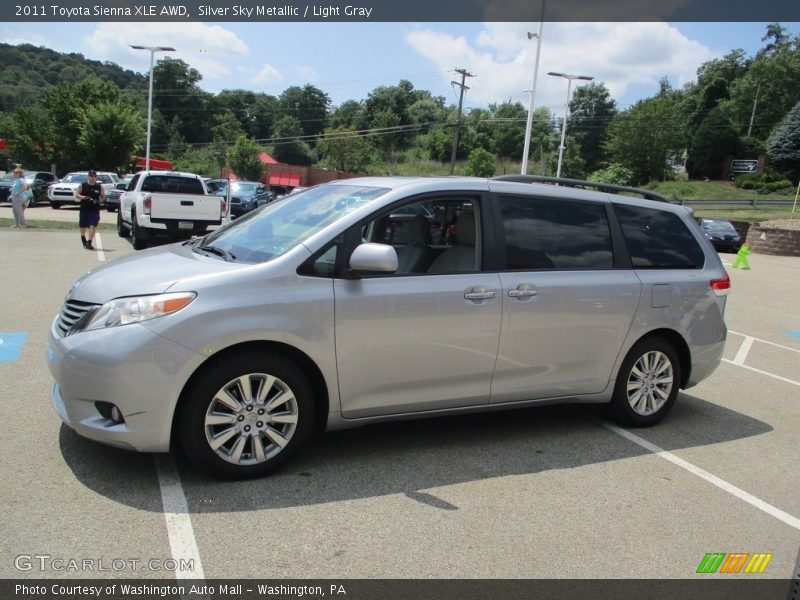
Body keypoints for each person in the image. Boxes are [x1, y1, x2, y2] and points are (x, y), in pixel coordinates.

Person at [74, 169, 106, 249]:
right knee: (82, 226)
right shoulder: (83, 185)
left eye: (94, 176)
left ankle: (89, 242)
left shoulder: (99, 187)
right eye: (91, 176)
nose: (93, 177)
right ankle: (83, 237)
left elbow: (103, 197)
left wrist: (98, 201)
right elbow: (77, 195)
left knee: (92, 225)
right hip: (84, 209)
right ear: (88, 176)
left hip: (94, 210)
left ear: (96, 177)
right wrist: (84, 197)